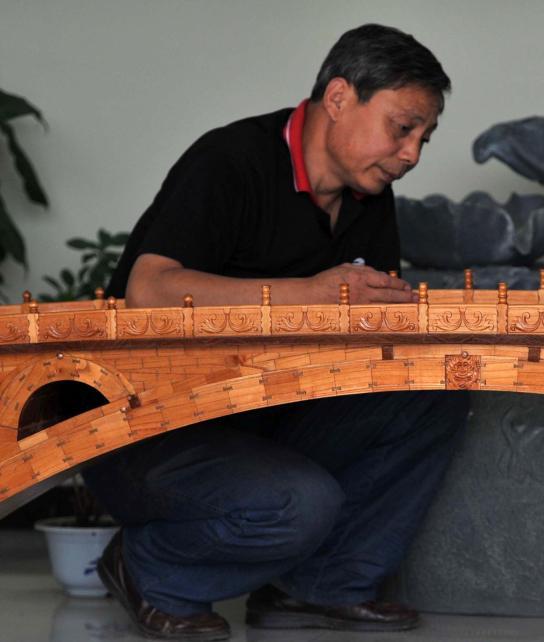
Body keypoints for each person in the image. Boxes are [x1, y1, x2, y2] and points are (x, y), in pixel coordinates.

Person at [82, 24, 469, 641]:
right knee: (298, 501)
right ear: (339, 97)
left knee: (430, 391)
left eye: (425, 136)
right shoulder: (230, 161)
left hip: (263, 415)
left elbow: (368, 337)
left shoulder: (370, 196)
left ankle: (318, 586)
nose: (413, 154)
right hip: (152, 427)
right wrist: (310, 294)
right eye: (402, 127)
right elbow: (147, 290)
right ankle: (149, 568)